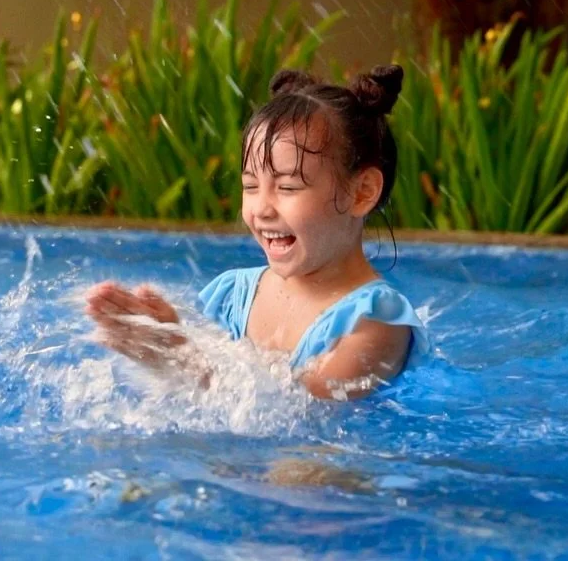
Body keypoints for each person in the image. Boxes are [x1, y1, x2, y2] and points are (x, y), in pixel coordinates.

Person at [85, 65, 429, 400]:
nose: (262, 208)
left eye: (288, 187)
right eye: (250, 186)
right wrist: (164, 346)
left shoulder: (375, 322)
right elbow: (204, 404)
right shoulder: (233, 296)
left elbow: (305, 415)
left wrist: (183, 357)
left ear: (362, 192)